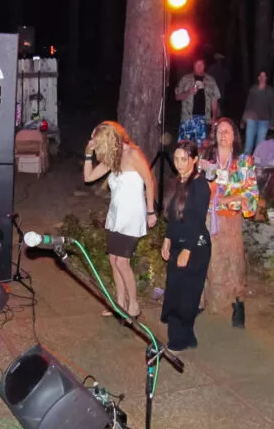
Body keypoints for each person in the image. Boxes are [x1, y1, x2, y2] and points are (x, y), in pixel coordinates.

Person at [83, 121, 157, 318]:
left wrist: (151, 211)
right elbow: (89, 177)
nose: (94, 144)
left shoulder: (133, 154)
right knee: (113, 260)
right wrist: (88, 153)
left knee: (122, 262)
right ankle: (120, 303)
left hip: (132, 216)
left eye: (97, 142)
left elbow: (149, 181)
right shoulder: (113, 157)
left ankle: (133, 306)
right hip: (116, 215)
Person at [201, 118, 259, 324]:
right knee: (208, 260)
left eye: (227, 131)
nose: (223, 135)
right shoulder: (207, 160)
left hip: (230, 219)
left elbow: (251, 193)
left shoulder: (244, 161)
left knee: (234, 262)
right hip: (208, 217)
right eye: (219, 132)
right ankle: (205, 301)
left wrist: (228, 199)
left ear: (235, 136)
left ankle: (238, 304)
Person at [161, 141, 211, 351]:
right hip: (178, 242)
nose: (179, 164)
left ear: (195, 160)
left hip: (195, 246)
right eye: (176, 159)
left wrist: (187, 250)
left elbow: (197, 220)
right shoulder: (177, 182)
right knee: (175, 290)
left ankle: (178, 340)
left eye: (184, 159)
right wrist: (167, 238)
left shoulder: (200, 185)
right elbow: (174, 216)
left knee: (186, 294)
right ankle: (187, 335)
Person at [174, 59, 221, 144]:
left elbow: (214, 100)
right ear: (193, 66)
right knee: (185, 147)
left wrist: (214, 116)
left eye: (201, 64)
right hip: (187, 119)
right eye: (197, 64)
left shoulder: (211, 80)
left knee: (202, 148)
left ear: (204, 66)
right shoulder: (185, 79)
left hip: (204, 119)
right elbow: (177, 97)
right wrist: (189, 92)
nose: (199, 67)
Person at [240, 70, 274, 155]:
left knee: (259, 146)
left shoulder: (270, 90)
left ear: (266, 78)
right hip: (251, 119)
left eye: (264, 76)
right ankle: (245, 165)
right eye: (261, 76)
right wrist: (242, 120)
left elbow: (272, 106)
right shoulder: (253, 89)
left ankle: (256, 165)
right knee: (248, 145)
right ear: (258, 78)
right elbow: (248, 104)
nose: (263, 78)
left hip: (264, 120)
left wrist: (272, 122)